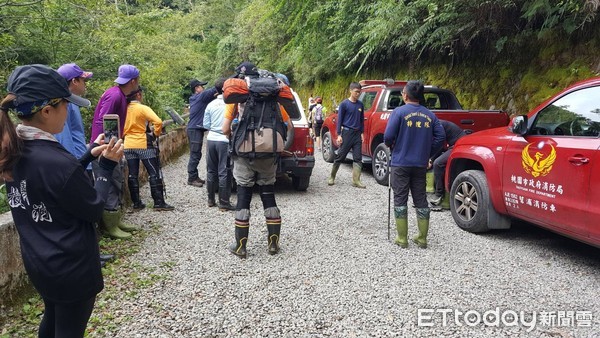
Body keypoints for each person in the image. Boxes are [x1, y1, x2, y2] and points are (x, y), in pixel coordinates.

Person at [0, 64, 124, 338]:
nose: (68, 112)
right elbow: (93, 209)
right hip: (71, 266)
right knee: (69, 330)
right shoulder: (57, 161)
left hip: (40, 261)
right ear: (47, 110)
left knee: (53, 317)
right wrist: (105, 167)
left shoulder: (13, 150)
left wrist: (89, 155)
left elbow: (54, 183)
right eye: (65, 105)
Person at [222, 61, 295, 259]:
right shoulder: (274, 99)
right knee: (268, 195)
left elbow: (224, 129)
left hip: (244, 155)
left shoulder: (239, 100)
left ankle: (240, 246)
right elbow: (288, 126)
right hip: (269, 154)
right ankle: (273, 244)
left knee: (244, 197)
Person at [55, 62, 114, 266]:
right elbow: (66, 138)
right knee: (84, 213)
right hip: (77, 164)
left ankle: (93, 254)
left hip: (83, 159)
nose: (86, 84)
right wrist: (78, 163)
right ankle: (89, 257)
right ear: (74, 81)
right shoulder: (64, 104)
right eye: (83, 80)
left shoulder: (72, 102)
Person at [384, 80, 445, 249]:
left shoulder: (398, 112)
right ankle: (422, 238)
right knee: (420, 198)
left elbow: (388, 136)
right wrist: (428, 153)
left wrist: (392, 145)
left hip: (400, 163)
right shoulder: (430, 115)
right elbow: (440, 136)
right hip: (420, 164)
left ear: (405, 95)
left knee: (400, 197)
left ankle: (402, 238)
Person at [89, 64, 141, 239]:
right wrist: (105, 146)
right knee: (110, 182)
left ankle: (115, 220)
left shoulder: (118, 94)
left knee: (117, 179)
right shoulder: (114, 95)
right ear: (133, 81)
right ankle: (109, 225)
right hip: (105, 148)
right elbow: (102, 122)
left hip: (113, 145)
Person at [123, 87, 174, 211]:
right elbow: (158, 121)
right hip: (143, 142)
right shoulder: (142, 108)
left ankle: (136, 203)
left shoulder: (123, 108)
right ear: (139, 95)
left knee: (132, 174)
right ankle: (158, 202)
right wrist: (155, 134)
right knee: (153, 172)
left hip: (128, 143)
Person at [202, 78, 235, 211]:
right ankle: (224, 203)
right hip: (225, 140)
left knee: (211, 170)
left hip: (211, 139)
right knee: (224, 171)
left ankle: (211, 200)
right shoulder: (231, 104)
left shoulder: (210, 104)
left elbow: (205, 125)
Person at [328, 82, 366, 188]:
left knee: (358, 157)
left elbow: (361, 120)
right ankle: (332, 177)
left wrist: (362, 133)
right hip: (347, 133)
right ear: (351, 91)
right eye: (356, 92)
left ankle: (356, 180)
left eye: (359, 92)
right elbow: (339, 120)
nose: (358, 94)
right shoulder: (344, 104)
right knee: (340, 156)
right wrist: (339, 135)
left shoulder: (360, 105)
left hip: (357, 133)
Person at [187, 78, 218, 187]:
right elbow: (215, 89)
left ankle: (194, 176)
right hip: (195, 129)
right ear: (196, 88)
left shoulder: (196, 98)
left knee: (196, 153)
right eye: (201, 86)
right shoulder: (200, 97)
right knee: (195, 154)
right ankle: (191, 178)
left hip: (195, 129)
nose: (203, 88)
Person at [428, 120, 466, 207]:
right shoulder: (437, 124)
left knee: (438, 163)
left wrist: (431, 159)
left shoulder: (437, 126)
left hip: (459, 146)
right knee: (437, 160)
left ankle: (439, 194)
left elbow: (440, 145)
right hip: (454, 145)